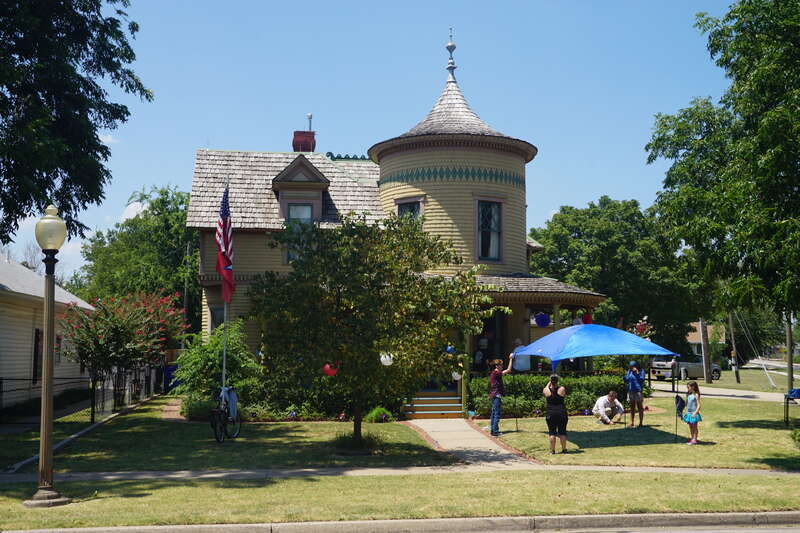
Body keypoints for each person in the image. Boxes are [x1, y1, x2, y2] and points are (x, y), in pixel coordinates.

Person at [488, 354, 514, 436]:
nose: (502, 366)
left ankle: (493, 430)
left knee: (493, 413)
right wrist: (511, 359)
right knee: (497, 414)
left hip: (493, 395)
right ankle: (495, 431)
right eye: (501, 365)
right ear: (497, 365)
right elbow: (509, 370)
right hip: (496, 395)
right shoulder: (497, 373)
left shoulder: (494, 372)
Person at [543, 374, 568, 453]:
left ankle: (552, 450)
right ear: (557, 381)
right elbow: (562, 393)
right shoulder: (562, 389)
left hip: (551, 413)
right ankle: (564, 449)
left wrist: (549, 383)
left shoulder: (546, 390)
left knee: (552, 432)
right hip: (561, 413)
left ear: (550, 381)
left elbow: (546, 388)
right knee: (562, 432)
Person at [624, 361, 646, 427]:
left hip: (638, 391)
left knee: (640, 407)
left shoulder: (641, 371)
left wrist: (637, 373)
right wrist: (624, 378)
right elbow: (627, 380)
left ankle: (641, 423)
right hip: (631, 391)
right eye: (630, 367)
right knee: (632, 407)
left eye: (632, 367)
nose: (631, 368)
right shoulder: (629, 371)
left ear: (636, 366)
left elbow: (642, 380)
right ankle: (632, 422)